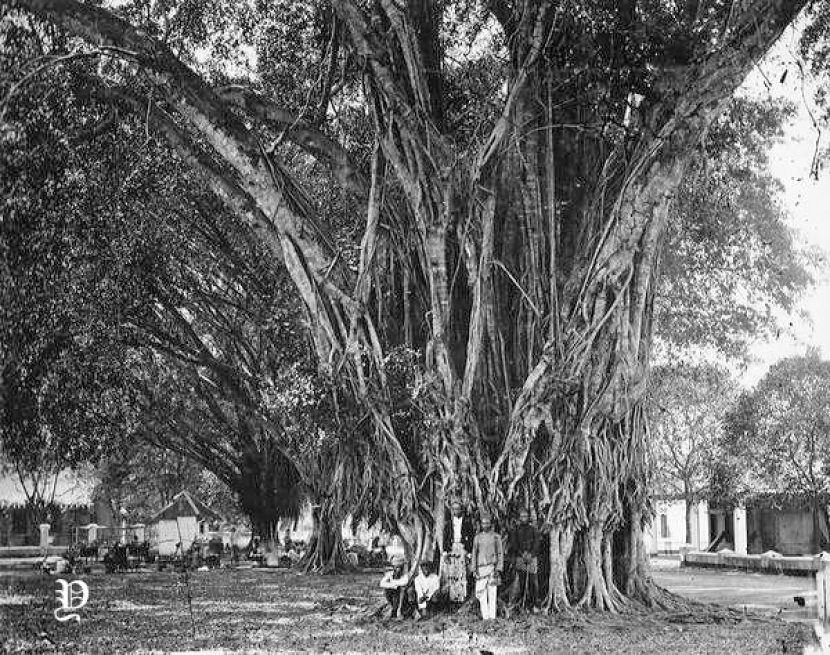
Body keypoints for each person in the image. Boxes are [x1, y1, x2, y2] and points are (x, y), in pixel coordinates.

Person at [440, 500, 476, 603]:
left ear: (461, 510)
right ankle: (452, 599)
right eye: (454, 509)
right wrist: (445, 553)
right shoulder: (448, 523)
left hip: (462, 548)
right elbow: (445, 538)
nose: (456, 511)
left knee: (462, 573)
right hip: (452, 549)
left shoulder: (467, 523)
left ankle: (462, 598)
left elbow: (471, 538)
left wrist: (469, 553)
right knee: (452, 574)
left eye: (458, 509)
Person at [470, 512, 503, 620]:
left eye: (487, 523)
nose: (485, 525)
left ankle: (492, 618)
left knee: (492, 593)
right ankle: (485, 617)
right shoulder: (477, 537)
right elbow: (474, 554)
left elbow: (500, 553)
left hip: (492, 568)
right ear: (481, 524)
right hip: (481, 569)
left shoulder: (496, 537)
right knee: (481, 594)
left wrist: (498, 568)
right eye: (483, 523)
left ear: (491, 524)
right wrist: (474, 569)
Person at [508, 508, 540, 612]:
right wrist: (522, 554)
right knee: (522, 581)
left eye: (525, 516)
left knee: (533, 582)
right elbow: (514, 544)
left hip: (532, 558)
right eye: (521, 516)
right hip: (520, 557)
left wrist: (531, 554)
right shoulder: (515, 530)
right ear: (519, 518)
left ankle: (534, 604)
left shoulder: (533, 529)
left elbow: (537, 544)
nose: (523, 518)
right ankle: (523, 604)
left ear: (528, 517)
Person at [379, 554, 414, 619]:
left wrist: (392, 582)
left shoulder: (405, 574)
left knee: (403, 589)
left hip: (404, 597)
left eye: (399, 567)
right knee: (386, 589)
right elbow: (382, 583)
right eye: (396, 567)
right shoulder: (390, 573)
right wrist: (393, 585)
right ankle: (392, 607)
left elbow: (404, 582)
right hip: (395, 594)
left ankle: (400, 610)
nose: (397, 569)